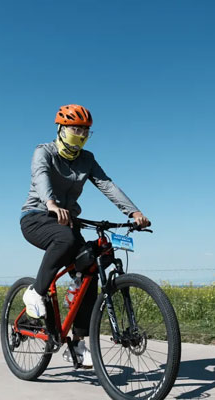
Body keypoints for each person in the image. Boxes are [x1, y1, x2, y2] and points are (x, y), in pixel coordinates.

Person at [20, 104, 150, 367]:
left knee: (90, 268)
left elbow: (107, 185)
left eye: (85, 130)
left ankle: (77, 343)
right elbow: (41, 176)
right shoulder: (43, 151)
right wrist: (52, 204)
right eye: (74, 128)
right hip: (37, 217)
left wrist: (134, 211)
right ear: (61, 128)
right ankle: (36, 291)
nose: (80, 134)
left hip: (67, 220)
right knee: (65, 240)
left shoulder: (87, 159)